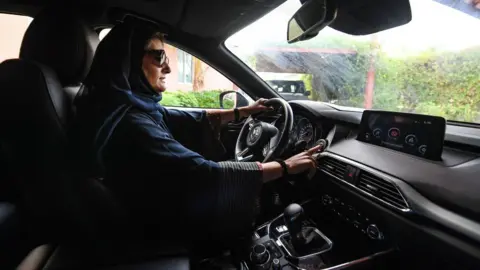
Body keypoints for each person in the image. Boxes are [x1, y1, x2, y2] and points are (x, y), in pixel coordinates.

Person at [69, 17, 319, 245]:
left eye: (166, 59)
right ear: (129, 62)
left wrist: (242, 112)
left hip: (145, 206)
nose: (167, 68)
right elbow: (202, 174)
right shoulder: (132, 122)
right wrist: (285, 167)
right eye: (159, 57)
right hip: (153, 226)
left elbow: (182, 118)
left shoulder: (122, 105)